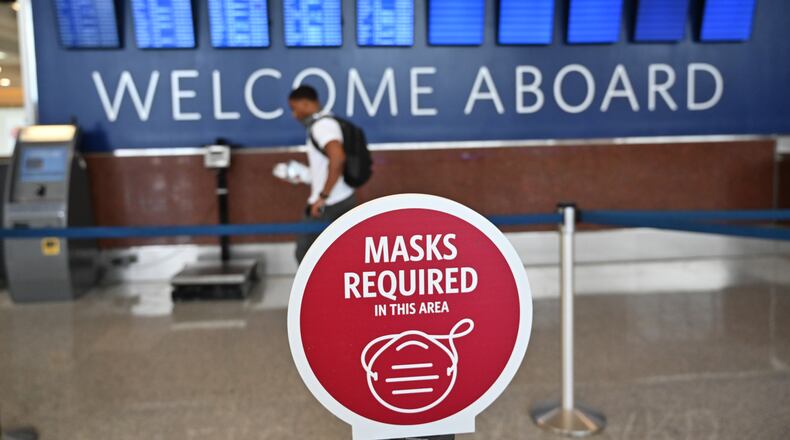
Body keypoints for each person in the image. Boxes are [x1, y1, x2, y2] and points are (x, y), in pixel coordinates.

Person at [288, 85, 357, 264]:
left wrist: (322, 196)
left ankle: (314, 292)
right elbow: (327, 164)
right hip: (339, 197)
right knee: (337, 254)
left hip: (330, 202)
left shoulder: (322, 126)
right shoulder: (325, 123)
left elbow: (338, 158)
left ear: (305, 103)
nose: (294, 115)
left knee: (305, 254)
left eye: (294, 108)